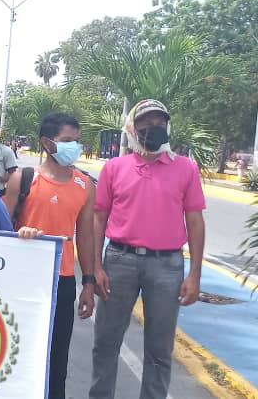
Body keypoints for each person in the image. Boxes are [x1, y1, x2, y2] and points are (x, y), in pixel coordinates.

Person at [89, 99, 205, 399]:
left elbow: (194, 221)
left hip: (166, 267)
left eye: (160, 123)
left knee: (159, 350)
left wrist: (194, 275)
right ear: (133, 128)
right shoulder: (115, 167)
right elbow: (98, 217)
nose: (154, 129)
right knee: (106, 342)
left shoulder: (186, 168)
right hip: (119, 261)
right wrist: (96, 267)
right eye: (146, 124)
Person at [0, 113, 97, 398]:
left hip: (62, 283)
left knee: (56, 363)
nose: (74, 147)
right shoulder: (23, 179)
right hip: (23, 281)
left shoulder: (85, 185)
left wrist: (88, 283)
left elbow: (87, 237)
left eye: (77, 141)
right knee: (18, 355)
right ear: (47, 142)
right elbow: (2, 230)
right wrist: (20, 234)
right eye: (67, 141)